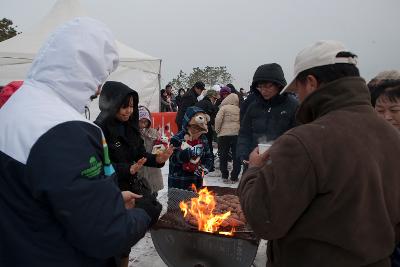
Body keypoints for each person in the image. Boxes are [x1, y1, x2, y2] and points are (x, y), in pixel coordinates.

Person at [0, 17, 161, 267]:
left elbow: (49, 191)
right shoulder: (66, 130)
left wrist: (111, 200)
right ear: (86, 69)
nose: (97, 90)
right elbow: (105, 234)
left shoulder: (13, 106)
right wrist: (145, 213)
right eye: (100, 75)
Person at [238, 40, 400, 266]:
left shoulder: (304, 141)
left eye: (298, 89)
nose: (299, 97)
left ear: (311, 83)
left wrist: (254, 169)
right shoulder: (392, 137)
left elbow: (264, 220)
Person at [237, 63, 298, 170]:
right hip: (254, 163)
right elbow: (244, 133)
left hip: (282, 166)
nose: (263, 90)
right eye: (260, 87)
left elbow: (299, 137)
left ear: (279, 85)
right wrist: (244, 154)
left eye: (268, 86)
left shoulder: (293, 106)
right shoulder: (254, 107)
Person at [168, 106, 213, 190]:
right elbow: (172, 159)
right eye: (195, 128)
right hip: (179, 183)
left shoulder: (203, 139)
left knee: (195, 202)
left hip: (196, 182)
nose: (197, 132)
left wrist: (204, 168)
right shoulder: (177, 139)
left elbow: (208, 157)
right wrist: (183, 155)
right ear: (187, 125)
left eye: (200, 129)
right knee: (179, 203)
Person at [137, 105, 165, 196]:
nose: (143, 124)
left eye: (145, 121)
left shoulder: (154, 132)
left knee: (153, 194)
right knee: (141, 195)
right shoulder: (133, 134)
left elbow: (160, 147)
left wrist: (161, 145)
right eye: (140, 121)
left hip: (153, 169)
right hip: (139, 170)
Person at [214, 93, 241, 183]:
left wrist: (217, 131)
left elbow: (218, 120)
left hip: (224, 135)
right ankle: (234, 176)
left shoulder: (223, 108)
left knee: (223, 155)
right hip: (236, 134)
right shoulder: (238, 109)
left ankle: (224, 175)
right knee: (236, 156)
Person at [195, 89, 220, 171]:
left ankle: (198, 163)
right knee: (208, 146)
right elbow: (212, 118)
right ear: (211, 97)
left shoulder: (199, 103)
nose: (215, 100)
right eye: (215, 99)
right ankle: (210, 166)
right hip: (206, 129)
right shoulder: (209, 105)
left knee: (198, 146)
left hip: (196, 129)